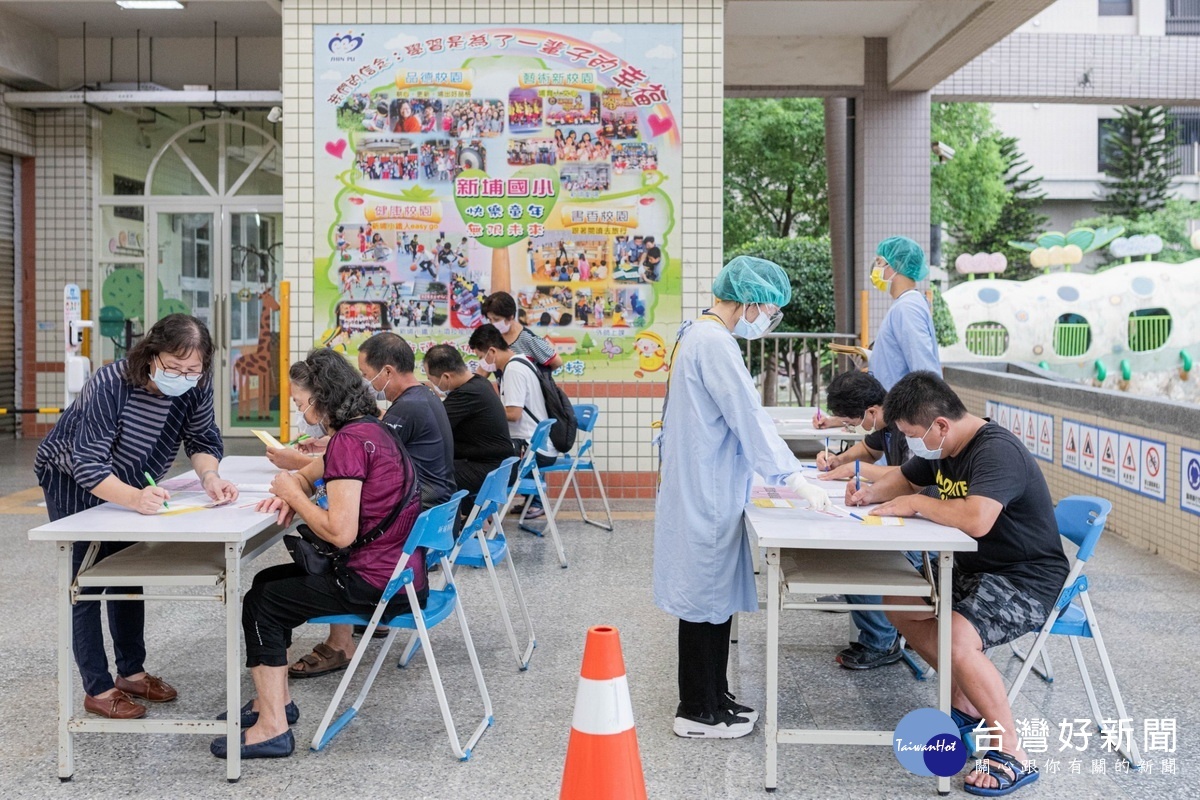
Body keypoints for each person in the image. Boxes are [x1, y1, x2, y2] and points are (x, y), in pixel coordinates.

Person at [848, 372, 1066, 796]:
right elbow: (906, 479)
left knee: (956, 637)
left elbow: (977, 519)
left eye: (912, 435)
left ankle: (1012, 751)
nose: (912, 444)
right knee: (899, 599)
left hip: (1024, 578)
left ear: (940, 425)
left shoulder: (995, 452)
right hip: (973, 570)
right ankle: (966, 703)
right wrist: (868, 494)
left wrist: (916, 504)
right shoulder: (942, 446)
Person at [654, 256, 832, 740]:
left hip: (706, 485)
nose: (768, 319)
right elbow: (748, 419)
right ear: (751, 300)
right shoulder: (714, 343)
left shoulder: (701, 335)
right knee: (703, 602)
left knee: (711, 601)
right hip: (705, 492)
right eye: (769, 309)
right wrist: (793, 479)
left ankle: (716, 696)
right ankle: (697, 710)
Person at [218, 350, 424, 760]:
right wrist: (296, 486)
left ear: (321, 399)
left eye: (299, 402)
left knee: (262, 604)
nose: (298, 409)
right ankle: (273, 701)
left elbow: (340, 533)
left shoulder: (348, 442)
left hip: (375, 584)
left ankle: (273, 727)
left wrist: (294, 496)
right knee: (266, 582)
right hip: (402, 576)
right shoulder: (370, 430)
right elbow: (311, 474)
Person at [34, 314, 238, 720]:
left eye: (193, 369)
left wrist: (210, 476)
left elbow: (201, 437)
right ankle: (98, 687)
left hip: (132, 482)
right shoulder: (111, 383)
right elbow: (89, 464)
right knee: (85, 579)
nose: (184, 376)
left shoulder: (194, 385)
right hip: (72, 478)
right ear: (150, 356)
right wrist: (134, 498)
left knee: (127, 570)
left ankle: (131, 671)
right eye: (174, 367)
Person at [468, 324, 558, 518]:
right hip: (535, 445)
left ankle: (481, 518)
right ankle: (483, 516)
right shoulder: (521, 361)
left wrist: (488, 411)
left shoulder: (513, 370)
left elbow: (513, 414)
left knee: (475, 463)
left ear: (491, 351)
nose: (482, 364)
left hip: (530, 450)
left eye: (480, 358)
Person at [423, 344, 515, 509]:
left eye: (431, 379)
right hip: (497, 466)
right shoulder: (479, 383)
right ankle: (475, 518)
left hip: (487, 470)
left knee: (426, 476)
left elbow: (431, 425)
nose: (431, 382)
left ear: (445, 377)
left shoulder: (466, 394)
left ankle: (443, 527)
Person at [480, 291, 563, 371]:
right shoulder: (494, 339)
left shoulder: (528, 339)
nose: (493, 323)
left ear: (510, 317)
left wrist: (536, 378)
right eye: (490, 320)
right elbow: (483, 371)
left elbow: (557, 362)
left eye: (496, 319)